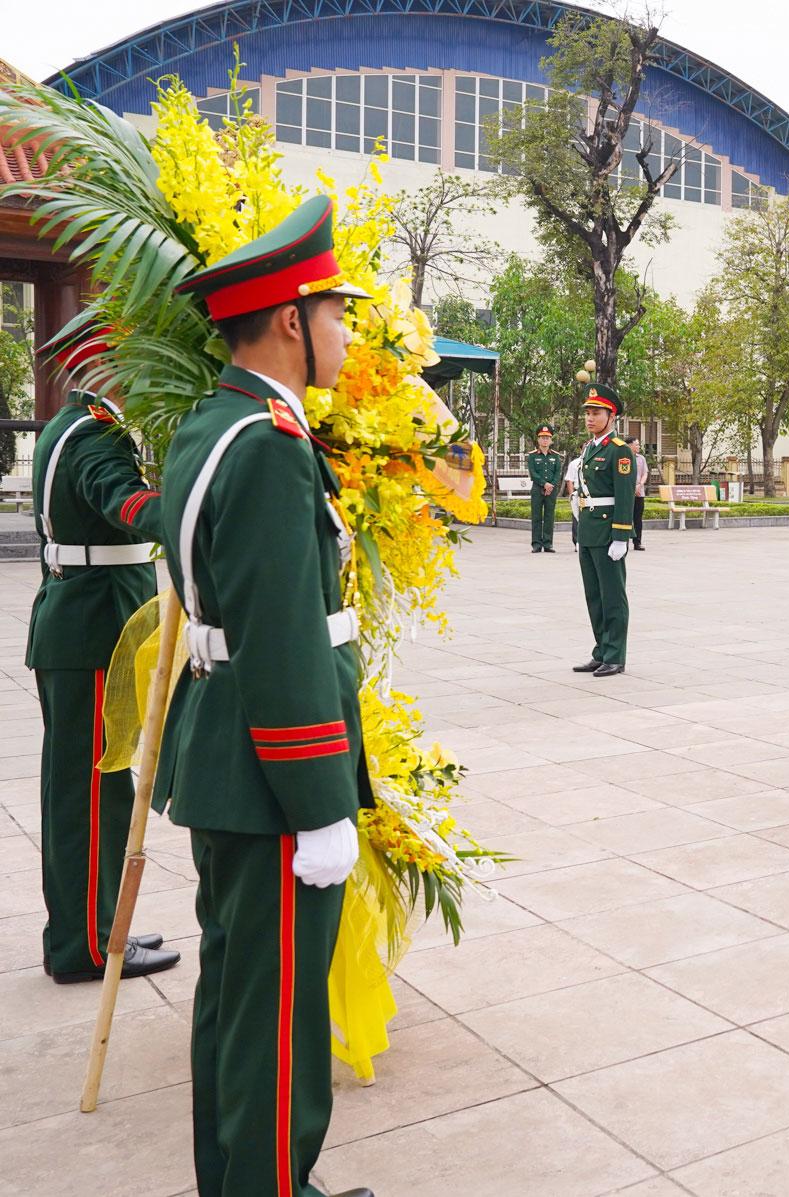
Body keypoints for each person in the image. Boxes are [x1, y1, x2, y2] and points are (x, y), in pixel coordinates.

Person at [153, 195, 374, 1197]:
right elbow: (285, 642)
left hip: (227, 761)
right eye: (338, 315)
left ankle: (245, 1178)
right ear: (291, 318)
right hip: (272, 777)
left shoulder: (216, 425)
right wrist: (322, 807)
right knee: (277, 1008)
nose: (346, 334)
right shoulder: (270, 449)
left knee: (240, 996)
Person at [26, 320, 180, 984]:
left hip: (82, 623)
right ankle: (87, 946)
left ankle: (88, 926)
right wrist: (198, 505)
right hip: (94, 629)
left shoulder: (69, 423)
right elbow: (126, 502)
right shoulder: (93, 433)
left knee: (82, 791)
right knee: (92, 797)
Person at [571, 384, 638, 677]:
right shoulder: (590, 448)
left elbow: (625, 496)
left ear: (612, 416)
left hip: (609, 531)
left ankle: (615, 655)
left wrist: (621, 536)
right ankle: (601, 650)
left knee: (613, 596)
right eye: (587, 413)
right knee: (594, 595)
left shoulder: (620, 451)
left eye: (596, 413)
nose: (590, 418)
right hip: (588, 529)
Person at [525, 424, 563, 553]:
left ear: (551, 440)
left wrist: (551, 485)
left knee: (549, 516)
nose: (545, 440)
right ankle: (536, 544)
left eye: (547, 437)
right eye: (542, 437)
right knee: (536, 517)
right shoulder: (533, 456)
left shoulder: (556, 456)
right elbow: (533, 472)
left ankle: (548, 544)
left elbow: (558, 473)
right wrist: (544, 484)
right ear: (538, 440)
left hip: (551, 491)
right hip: (537, 489)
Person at [628, 434, 649, 550]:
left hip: (639, 493)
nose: (639, 446)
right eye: (637, 445)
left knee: (638, 519)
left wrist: (640, 485)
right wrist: (631, 488)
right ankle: (623, 541)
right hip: (627, 493)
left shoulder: (641, 458)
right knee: (626, 518)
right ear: (630, 446)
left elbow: (645, 473)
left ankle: (637, 542)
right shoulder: (624, 458)